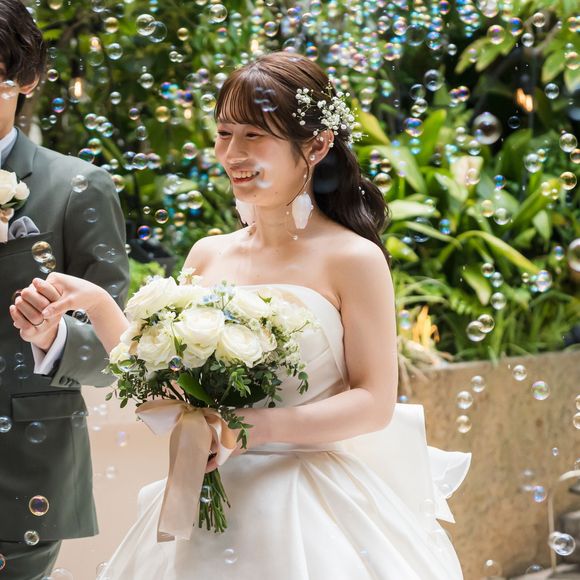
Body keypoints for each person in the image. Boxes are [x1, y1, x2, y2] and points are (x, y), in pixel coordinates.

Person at [12, 51, 471, 579]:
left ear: (317, 145)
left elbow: (373, 402)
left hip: (307, 506)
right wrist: (93, 303)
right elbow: (162, 383)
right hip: (204, 506)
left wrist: (249, 426)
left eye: (254, 135)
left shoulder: (353, 258)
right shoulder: (209, 253)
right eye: (224, 133)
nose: (232, 153)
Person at [0, 1, 130, 578]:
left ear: (26, 78)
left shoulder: (77, 187)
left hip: (16, 475)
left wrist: (52, 336)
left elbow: (116, 352)